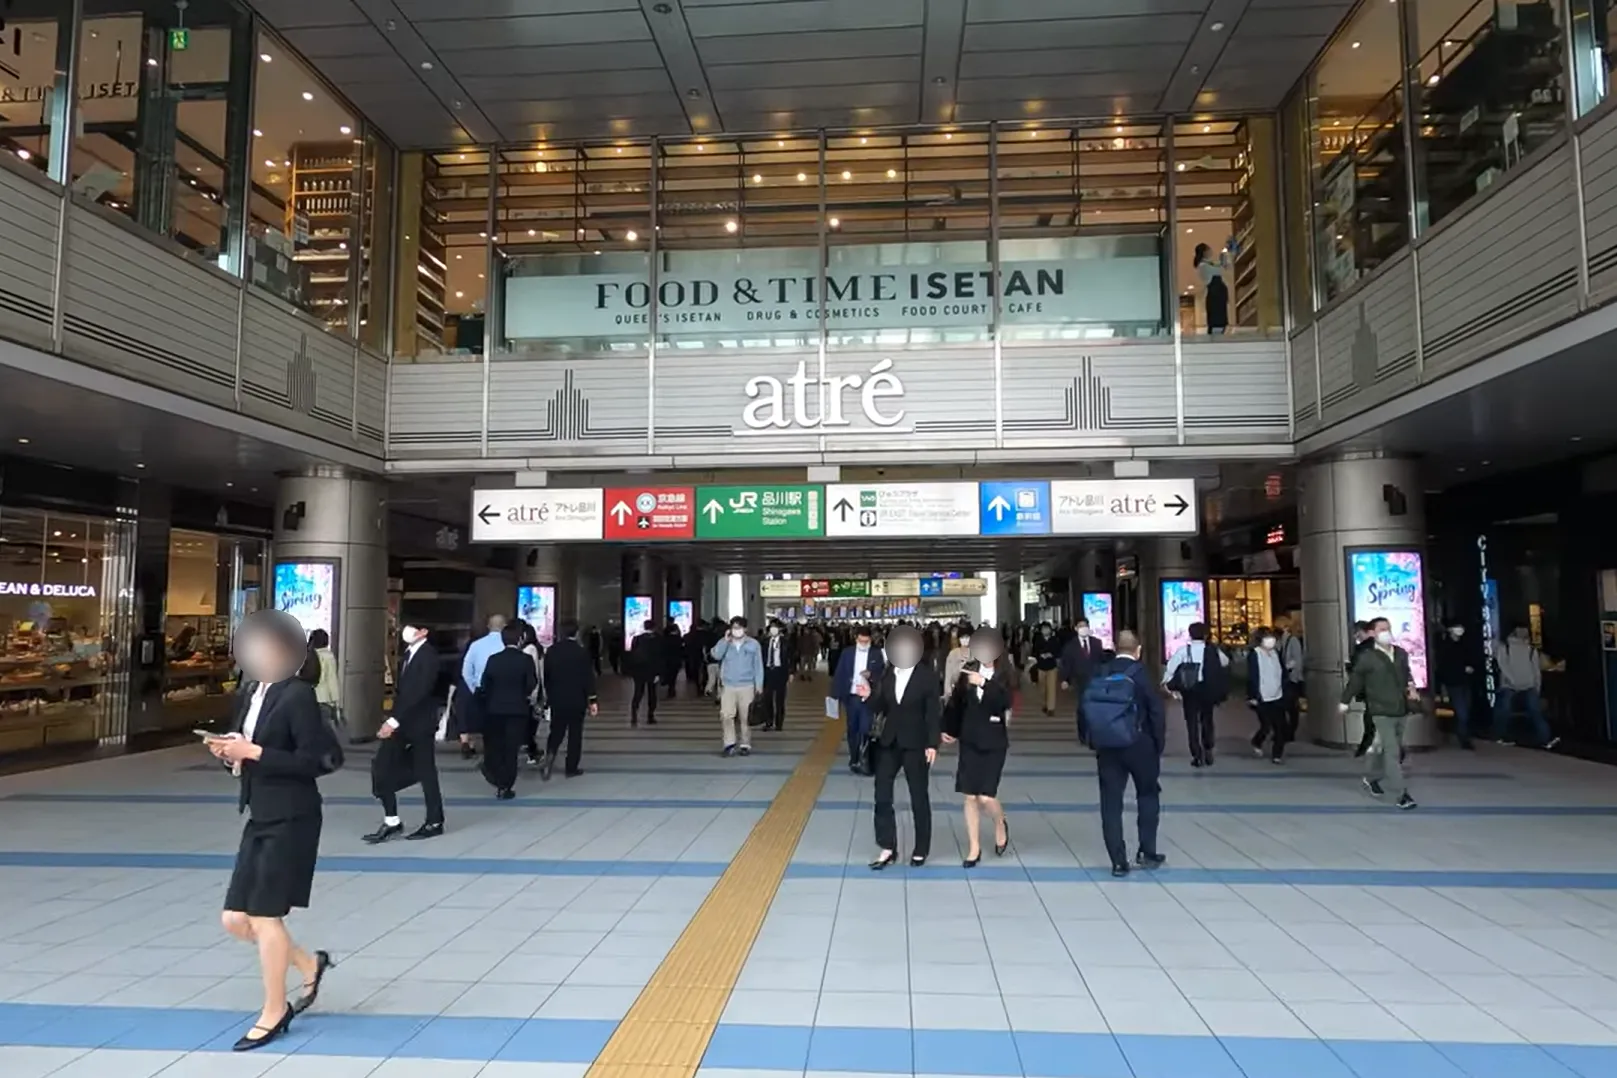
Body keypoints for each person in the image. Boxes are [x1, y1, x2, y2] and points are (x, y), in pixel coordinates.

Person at [209, 609, 339, 1051]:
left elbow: (313, 761)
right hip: (260, 813)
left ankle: (273, 1009)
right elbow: (246, 743)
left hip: (293, 815)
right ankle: (308, 965)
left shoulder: (298, 695)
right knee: (234, 919)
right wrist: (230, 750)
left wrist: (256, 751)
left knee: (265, 917)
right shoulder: (250, 691)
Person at [857, 626, 940, 870]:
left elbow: (933, 713)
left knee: (918, 797)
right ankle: (887, 846)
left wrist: (932, 744)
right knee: (882, 794)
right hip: (889, 741)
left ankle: (921, 848)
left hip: (916, 743)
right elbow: (882, 704)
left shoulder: (927, 677)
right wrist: (868, 696)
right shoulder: (888, 673)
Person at [1083, 630, 1166, 876]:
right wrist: (1157, 745)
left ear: (1115, 647)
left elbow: (1084, 709)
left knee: (1111, 803)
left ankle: (1118, 861)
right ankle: (1147, 851)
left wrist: (1092, 741)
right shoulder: (1142, 675)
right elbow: (1156, 713)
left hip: (1107, 746)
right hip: (1140, 744)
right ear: (1137, 650)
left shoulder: (1101, 672)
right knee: (1148, 795)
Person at [365, 624, 446, 842]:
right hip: (403, 723)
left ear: (425, 632)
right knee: (381, 766)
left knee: (426, 771)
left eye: (413, 628)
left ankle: (434, 821)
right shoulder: (407, 655)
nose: (406, 631)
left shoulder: (428, 656)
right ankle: (392, 820)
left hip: (419, 724)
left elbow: (418, 692)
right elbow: (403, 694)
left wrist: (392, 721)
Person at [942, 627, 1015, 868]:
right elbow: (956, 704)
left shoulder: (1005, 673)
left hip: (994, 740)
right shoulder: (967, 670)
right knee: (970, 796)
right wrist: (948, 729)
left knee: (986, 796)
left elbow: (1005, 701)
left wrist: (984, 683)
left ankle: (999, 821)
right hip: (970, 739)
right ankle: (974, 847)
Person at [1340, 616, 1420, 809]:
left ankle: (1371, 776)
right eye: (1382, 629)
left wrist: (1412, 688)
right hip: (1380, 709)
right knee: (1392, 751)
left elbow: (1406, 673)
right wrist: (1344, 701)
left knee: (1391, 748)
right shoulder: (1368, 656)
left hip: (1400, 708)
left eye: (1388, 628)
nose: (1387, 632)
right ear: (1372, 633)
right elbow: (1356, 680)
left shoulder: (1400, 653)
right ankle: (1402, 794)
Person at [478, 622, 539, 799]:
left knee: (497, 745)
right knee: (511, 749)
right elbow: (531, 684)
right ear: (520, 640)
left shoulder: (493, 659)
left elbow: (485, 684)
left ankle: (496, 775)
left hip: (494, 709)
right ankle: (506, 785)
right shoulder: (525, 660)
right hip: (517, 710)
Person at [1161, 621, 1229, 768]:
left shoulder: (1184, 650)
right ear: (1206, 634)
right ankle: (1208, 749)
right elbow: (1225, 662)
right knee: (1207, 720)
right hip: (1207, 689)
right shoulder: (1212, 649)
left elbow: (1171, 667)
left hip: (1190, 690)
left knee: (1192, 722)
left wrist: (1167, 684)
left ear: (1190, 633)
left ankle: (1196, 754)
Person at [542, 619, 598, 779]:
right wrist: (592, 700)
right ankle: (571, 767)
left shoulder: (552, 651)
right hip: (577, 700)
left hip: (557, 698)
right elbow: (588, 678)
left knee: (556, 732)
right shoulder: (582, 652)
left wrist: (549, 696)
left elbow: (547, 676)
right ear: (576, 632)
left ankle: (549, 760)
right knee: (575, 734)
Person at [1492, 623, 1556, 748]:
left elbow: (1504, 666)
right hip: (1520, 684)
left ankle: (1501, 736)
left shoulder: (1513, 648)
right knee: (1530, 711)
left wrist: (1532, 685)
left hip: (1515, 684)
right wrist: (1535, 686)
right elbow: (1534, 671)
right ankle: (1544, 739)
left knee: (1507, 710)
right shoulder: (1510, 647)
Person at [833, 625, 885, 773]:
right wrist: (835, 695)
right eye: (861, 641)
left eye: (866, 641)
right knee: (852, 729)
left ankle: (865, 758)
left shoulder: (876, 654)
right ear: (856, 639)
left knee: (865, 728)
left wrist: (871, 676)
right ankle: (854, 757)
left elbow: (883, 674)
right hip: (852, 697)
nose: (863, 644)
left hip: (868, 698)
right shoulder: (847, 653)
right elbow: (840, 673)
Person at [711, 616, 764, 756]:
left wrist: (759, 685)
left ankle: (745, 743)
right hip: (728, 685)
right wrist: (724, 641)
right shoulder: (725, 643)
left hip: (747, 685)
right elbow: (716, 655)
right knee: (726, 715)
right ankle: (729, 743)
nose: (737, 630)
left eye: (739, 628)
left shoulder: (753, 644)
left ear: (745, 629)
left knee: (746, 716)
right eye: (734, 628)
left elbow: (758, 666)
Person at [1057, 618, 1108, 745]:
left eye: (1085, 625)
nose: (1083, 628)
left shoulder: (1097, 643)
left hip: (1095, 680)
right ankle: (1083, 734)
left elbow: (1102, 660)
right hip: (1079, 680)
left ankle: (1094, 734)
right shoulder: (1070, 646)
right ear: (1076, 629)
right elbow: (1066, 664)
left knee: (1096, 708)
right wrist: (1064, 679)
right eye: (1080, 626)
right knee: (1083, 708)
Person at [1247, 628, 1290, 764]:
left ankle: (1277, 754)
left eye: (1272, 637)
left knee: (1280, 726)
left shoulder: (1276, 653)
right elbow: (1252, 676)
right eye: (1267, 638)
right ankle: (1257, 741)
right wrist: (1252, 695)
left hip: (1278, 695)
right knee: (1266, 725)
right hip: (1262, 696)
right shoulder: (1254, 654)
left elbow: (1282, 672)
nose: (1271, 641)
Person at [1437, 619, 1477, 749]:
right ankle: (1464, 738)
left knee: (1466, 710)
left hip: (1465, 681)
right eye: (1457, 627)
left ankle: (1461, 733)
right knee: (1462, 712)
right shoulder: (1445, 645)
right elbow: (1445, 665)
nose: (1460, 629)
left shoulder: (1464, 644)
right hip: (1453, 682)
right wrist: (1462, 668)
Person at [517, 620, 545, 765]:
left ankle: (532, 752)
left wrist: (532, 695)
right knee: (529, 725)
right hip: (536, 691)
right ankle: (532, 751)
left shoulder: (529, 650)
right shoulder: (536, 649)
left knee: (527, 725)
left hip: (531, 693)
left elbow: (532, 673)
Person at [1275, 610, 1305, 741]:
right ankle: (1284, 731)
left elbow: (1298, 660)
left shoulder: (1292, 641)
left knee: (1292, 707)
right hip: (1283, 679)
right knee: (1284, 706)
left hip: (1291, 679)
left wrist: (1294, 676)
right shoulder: (1279, 641)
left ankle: (1290, 732)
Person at [1194, 241, 1232, 334]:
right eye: (1208, 249)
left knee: (1220, 318)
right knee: (1217, 318)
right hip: (1215, 294)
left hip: (1217, 293)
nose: (1210, 251)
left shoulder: (1208, 264)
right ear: (1204, 252)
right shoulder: (1203, 265)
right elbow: (1220, 269)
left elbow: (1224, 267)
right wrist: (1223, 258)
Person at [306, 628, 341, 729]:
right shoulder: (328, 656)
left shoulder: (308, 655)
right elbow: (332, 680)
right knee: (325, 729)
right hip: (324, 699)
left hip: (309, 697)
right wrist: (335, 701)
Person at [629, 619, 660, 727]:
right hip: (652, 671)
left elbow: (632, 655)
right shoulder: (658, 639)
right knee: (652, 693)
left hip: (639, 670)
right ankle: (650, 716)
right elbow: (660, 658)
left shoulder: (637, 639)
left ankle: (634, 716)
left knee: (638, 692)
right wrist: (658, 673)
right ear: (654, 627)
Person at [761, 618, 791, 730]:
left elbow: (790, 658)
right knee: (767, 698)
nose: (773, 630)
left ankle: (779, 723)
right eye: (771, 627)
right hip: (768, 672)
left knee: (780, 700)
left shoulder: (785, 642)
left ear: (780, 629)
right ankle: (768, 721)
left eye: (775, 628)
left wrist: (791, 672)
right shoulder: (764, 642)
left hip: (780, 672)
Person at [1031, 624, 1060, 715]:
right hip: (1041, 666)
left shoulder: (1054, 640)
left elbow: (1058, 652)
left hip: (1052, 666)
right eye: (1044, 629)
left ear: (1050, 630)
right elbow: (1034, 651)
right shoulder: (1038, 640)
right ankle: (1045, 704)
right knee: (1042, 688)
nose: (1045, 630)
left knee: (1051, 687)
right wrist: (1040, 655)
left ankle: (1051, 708)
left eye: (1047, 629)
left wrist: (1051, 654)